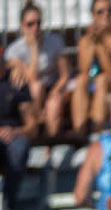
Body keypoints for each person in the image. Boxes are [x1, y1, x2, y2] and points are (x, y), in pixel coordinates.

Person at [6, 3, 68, 138]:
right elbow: (31, 78)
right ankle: (36, 131)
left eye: (38, 23)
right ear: (22, 26)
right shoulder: (14, 50)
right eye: (30, 24)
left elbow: (65, 74)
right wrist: (34, 48)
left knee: (54, 104)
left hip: (53, 87)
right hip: (31, 93)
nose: (35, 28)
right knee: (36, 87)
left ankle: (50, 143)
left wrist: (54, 92)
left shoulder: (55, 41)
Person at [73, 0, 111, 135]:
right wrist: (91, 45)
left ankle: (97, 131)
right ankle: (80, 132)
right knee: (81, 80)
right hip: (97, 81)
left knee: (102, 79)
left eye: (110, 10)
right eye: (100, 12)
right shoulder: (86, 40)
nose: (106, 15)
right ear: (93, 15)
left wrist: (100, 45)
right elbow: (84, 70)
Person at [0, 41, 37, 210]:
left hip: (12, 138)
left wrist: (14, 132)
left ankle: (9, 204)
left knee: (20, 147)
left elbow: (32, 127)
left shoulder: (16, 82)